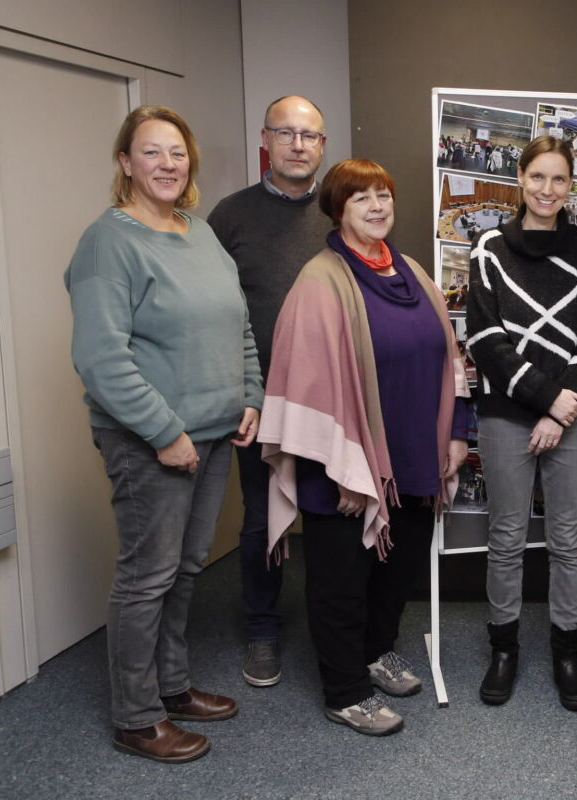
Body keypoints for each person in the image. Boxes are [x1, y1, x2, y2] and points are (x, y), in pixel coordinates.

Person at [66, 105, 262, 763]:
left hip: (211, 433)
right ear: (125, 162)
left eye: (177, 153)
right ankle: (136, 715)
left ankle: (172, 686)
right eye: (151, 152)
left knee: (184, 568)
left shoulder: (198, 232)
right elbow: (100, 356)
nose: (167, 164)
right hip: (149, 439)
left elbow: (236, 324)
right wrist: (161, 431)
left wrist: (249, 397)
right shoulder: (108, 242)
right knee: (146, 576)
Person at [258, 159, 470, 736]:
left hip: (413, 456)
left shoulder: (414, 273)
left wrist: (456, 432)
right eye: (361, 199)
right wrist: (342, 472)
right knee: (341, 578)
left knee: (396, 569)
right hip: (343, 464)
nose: (377, 206)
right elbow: (302, 380)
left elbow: (450, 358)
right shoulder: (319, 281)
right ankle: (345, 689)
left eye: (383, 195)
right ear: (338, 209)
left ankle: (376, 652)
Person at [466, 135, 577, 711]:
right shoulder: (489, 245)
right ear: (520, 179)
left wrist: (563, 406)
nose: (548, 189)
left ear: (571, 185)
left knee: (567, 541)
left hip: (573, 414)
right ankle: (504, 649)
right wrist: (549, 401)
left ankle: (565, 650)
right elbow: (486, 339)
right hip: (509, 413)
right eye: (538, 177)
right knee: (505, 539)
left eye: (559, 179)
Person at [208, 94, 330, 689]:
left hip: (331, 400)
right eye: (286, 134)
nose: (299, 145)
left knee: (333, 514)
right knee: (263, 519)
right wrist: (241, 392)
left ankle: (335, 628)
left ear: (323, 145)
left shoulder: (341, 214)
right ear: (267, 140)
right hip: (261, 400)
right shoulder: (229, 217)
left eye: (309, 136)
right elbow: (213, 316)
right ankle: (262, 628)